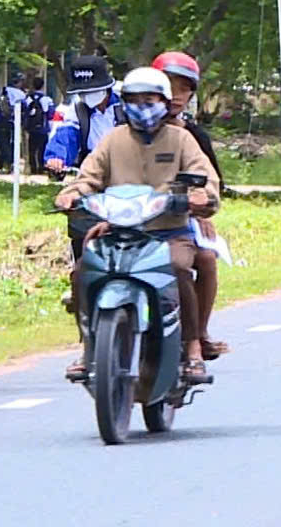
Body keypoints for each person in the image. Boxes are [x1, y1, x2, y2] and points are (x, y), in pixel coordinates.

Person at [54, 66, 220, 384]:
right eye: (134, 100)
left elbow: (207, 180)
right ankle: (90, 347)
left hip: (169, 232)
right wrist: (71, 195)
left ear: (164, 101)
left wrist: (200, 196)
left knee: (179, 268)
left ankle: (193, 346)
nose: (142, 107)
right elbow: (88, 177)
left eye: (150, 100)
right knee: (81, 273)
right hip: (118, 232)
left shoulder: (182, 139)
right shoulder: (112, 140)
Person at [152, 50, 228, 360]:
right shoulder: (127, 130)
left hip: (180, 218)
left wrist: (202, 206)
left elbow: (211, 182)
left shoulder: (194, 137)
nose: (177, 95)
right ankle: (96, 346)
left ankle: (198, 333)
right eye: (171, 85)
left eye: (185, 88)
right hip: (134, 215)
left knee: (206, 259)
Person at [46, 56, 128, 265]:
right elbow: (65, 136)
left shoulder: (127, 103)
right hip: (92, 173)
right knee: (79, 217)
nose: (88, 96)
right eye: (83, 92)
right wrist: (56, 157)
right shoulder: (78, 110)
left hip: (129, 170)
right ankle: (82, 274)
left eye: (92, 90)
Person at [21, 76, 53, 174]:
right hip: (43, 128)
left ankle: (33, 167)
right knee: (42, 148)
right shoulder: (47, 99)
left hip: (31, 129)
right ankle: (41, 167)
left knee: (32, 149)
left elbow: (24, 112)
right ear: (43, 86)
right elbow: (50, 114)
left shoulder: (28, 99)